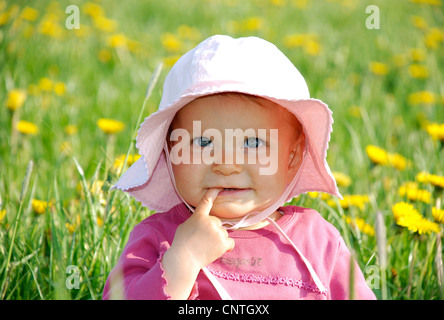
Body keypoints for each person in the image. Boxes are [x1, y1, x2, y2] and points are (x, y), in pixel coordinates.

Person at [102, 35, 376, 300]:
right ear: (170, 152)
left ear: (292, 157)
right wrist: (181, 262)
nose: (227, 165)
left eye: (253, 142)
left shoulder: (319, 243)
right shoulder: (159, 240)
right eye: (203, 141)